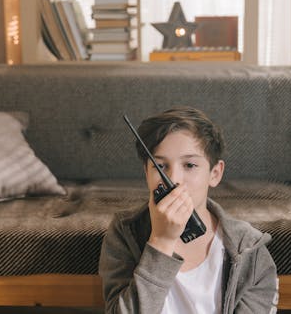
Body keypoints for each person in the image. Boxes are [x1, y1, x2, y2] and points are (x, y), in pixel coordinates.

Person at [99, 106, 278, 313]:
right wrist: (161, 241)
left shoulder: (249, 249)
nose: (173, 180)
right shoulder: (125, 232)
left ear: (215, 173)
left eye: (190, 165)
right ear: (147, 173)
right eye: (160, 167)